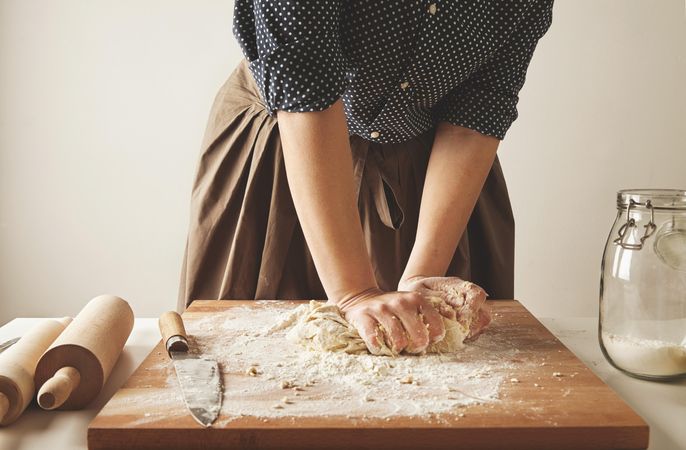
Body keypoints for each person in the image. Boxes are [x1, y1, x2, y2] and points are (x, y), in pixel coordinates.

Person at [177, 1, 554, 355]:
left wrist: (423, 272)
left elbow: (479, 109)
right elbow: (304, 84)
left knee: (424, 355)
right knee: (246, 357)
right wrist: (355, 292)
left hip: (433, 168)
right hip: (287, 141)